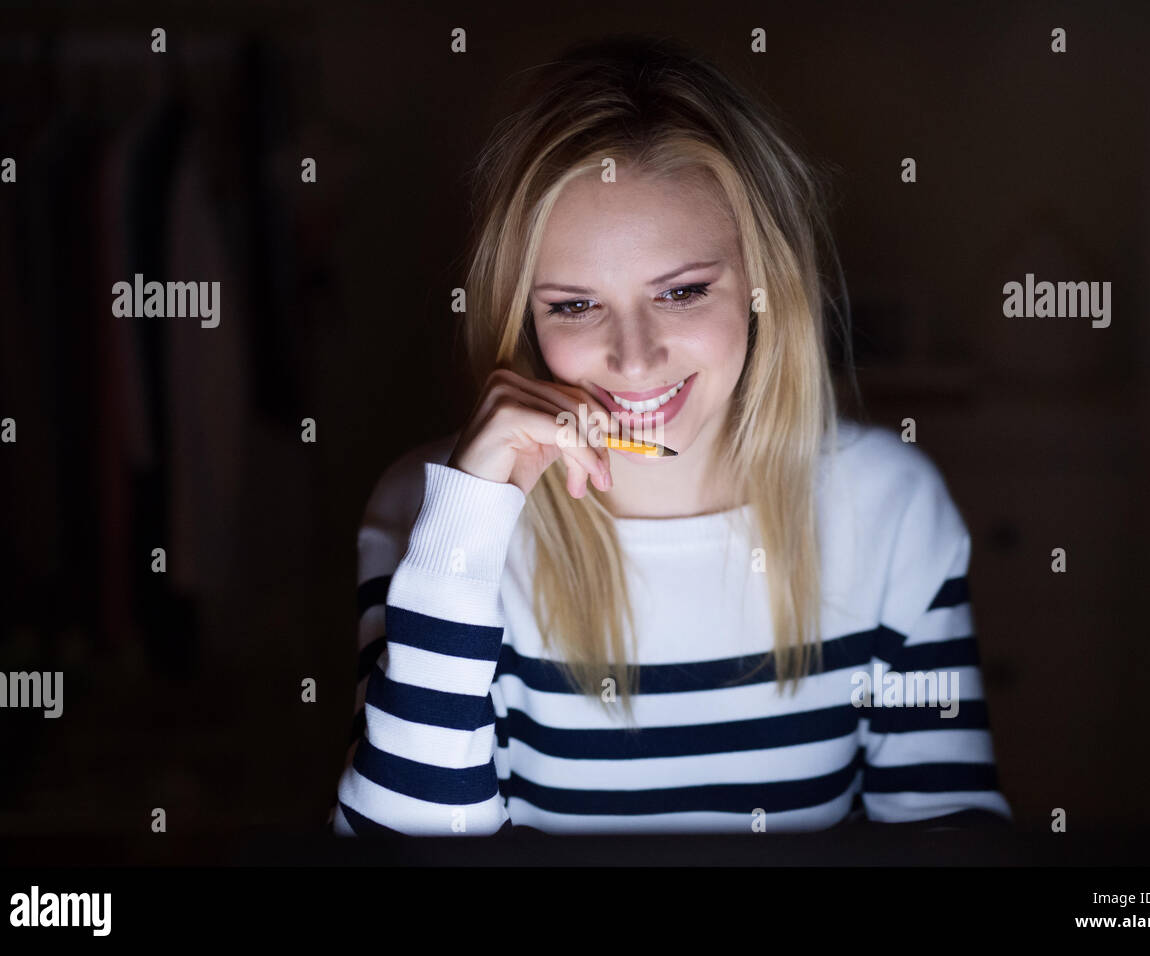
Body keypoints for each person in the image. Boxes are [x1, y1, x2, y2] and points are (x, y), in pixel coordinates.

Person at [330, 33, 1012, 836]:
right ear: (523, 314)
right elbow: (399, 847)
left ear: (766, 283)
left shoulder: (890, 505)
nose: (635, 357)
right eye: (575, 304)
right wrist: (462, 539)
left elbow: (949, 833)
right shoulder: (433, 508)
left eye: (683, 291)